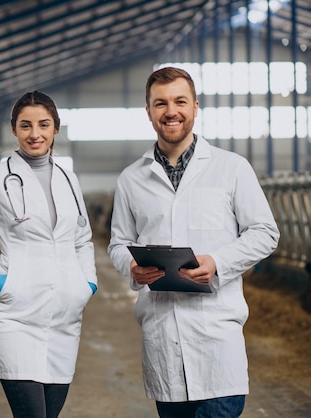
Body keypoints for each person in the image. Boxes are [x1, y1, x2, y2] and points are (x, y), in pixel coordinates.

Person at [107, 66, 280, 418]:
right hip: (162, 338)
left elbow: (265, 232)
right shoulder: (131, 178)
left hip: (217, 336)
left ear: (196, 107)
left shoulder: (231, 168)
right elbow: (118, 243)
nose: (171, 111)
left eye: (180, 101)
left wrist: (218, 262)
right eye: (161, 103)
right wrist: (133, 267)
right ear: (149, 112)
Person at [0, 90, 97, 418]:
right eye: (25, 125)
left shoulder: (69, 179)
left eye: (43, 124)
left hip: (64, 320)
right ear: (14, 130)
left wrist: (88, 283)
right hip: (15, 317)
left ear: (56, 128)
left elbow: (82, 237)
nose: (35, 134)